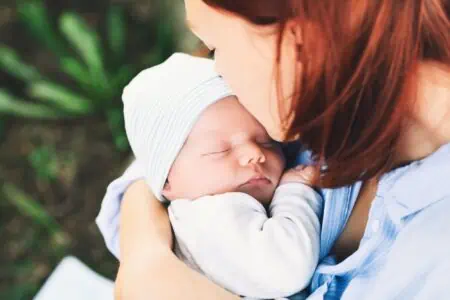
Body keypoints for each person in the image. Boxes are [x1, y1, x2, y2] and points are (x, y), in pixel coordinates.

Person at [98, 0, 450, 299]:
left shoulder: (432, 262)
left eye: (214, 48)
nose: (215, 73)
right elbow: (166, 150)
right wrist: (144, 257)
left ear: (296, 42)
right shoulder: (311, 104)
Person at [98, 53, 323, 299]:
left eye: (266, 141)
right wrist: (295, 192)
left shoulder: (193, 194)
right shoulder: (211, 215)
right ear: (166, 182)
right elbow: (286, 269)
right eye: (220, 150)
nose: (254, 153)